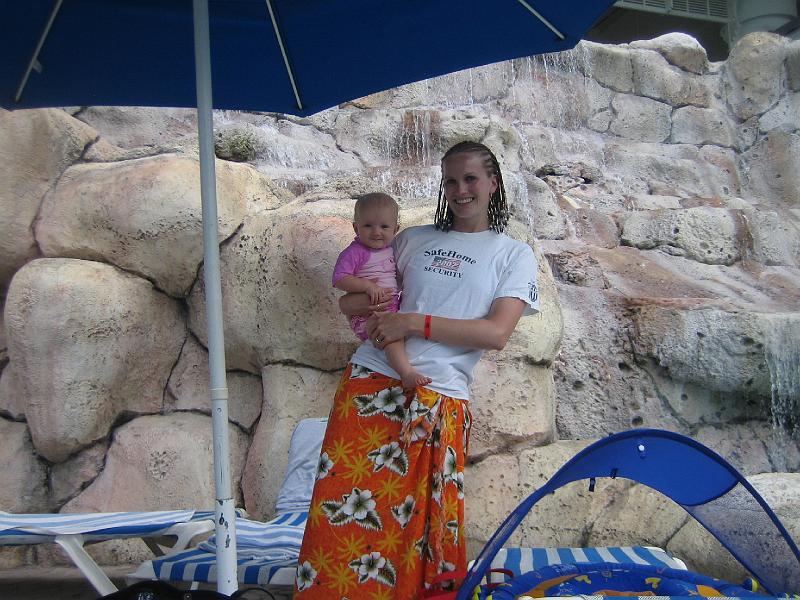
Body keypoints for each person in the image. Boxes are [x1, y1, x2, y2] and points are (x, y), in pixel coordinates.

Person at [294, 141, 540, 600]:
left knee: (414, 535)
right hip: (369, 386)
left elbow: (496, 333)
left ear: (492, 183)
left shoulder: (513, 255)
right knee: (343, 521)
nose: (461, 189)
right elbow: (353, 302)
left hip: (437, 396)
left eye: (470, 178)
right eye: (451, 180)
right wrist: (368, 302)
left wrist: (414, 321)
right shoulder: (412, 239)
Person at [332, 192, 431, 389]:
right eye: (368, 226)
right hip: (367, 314)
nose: (376, 232)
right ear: (355, 227)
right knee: (391, 337)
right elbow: (339, 278)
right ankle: (406, 373)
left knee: (398, 332)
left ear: (396, 229)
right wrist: (367, 286)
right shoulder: (355, 252)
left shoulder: (390, 249)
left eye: (384, 227)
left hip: (388, 307)